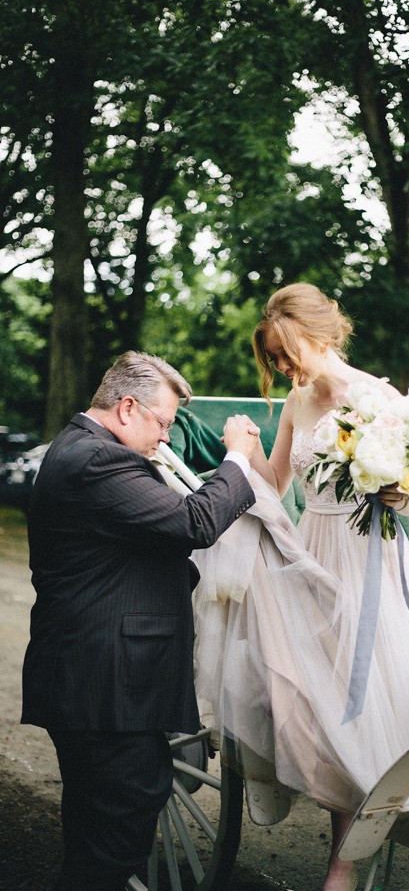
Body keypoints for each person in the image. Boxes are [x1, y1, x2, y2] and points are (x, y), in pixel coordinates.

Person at [192, 284, 409, 891]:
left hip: (366, 560)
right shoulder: (299, 401)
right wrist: (246, 454)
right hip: (311, 551)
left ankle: (343, 864)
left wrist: (399, 492)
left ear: (318, 333)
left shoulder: (378, 398)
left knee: (355, 709)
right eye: (273, 358)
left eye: (285, 352)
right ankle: (342, 833)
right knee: (309, 701)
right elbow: (276, 482)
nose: (282, 367)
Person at [21, 351, 259, 891]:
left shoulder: (83, 449)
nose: (166, 440)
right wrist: (238, 459)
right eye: (163, 424)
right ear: (128, 407)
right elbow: (196, 522)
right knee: (115, 836)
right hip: (105, 686)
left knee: (95, 831)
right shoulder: (97, 461)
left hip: (92, 681)